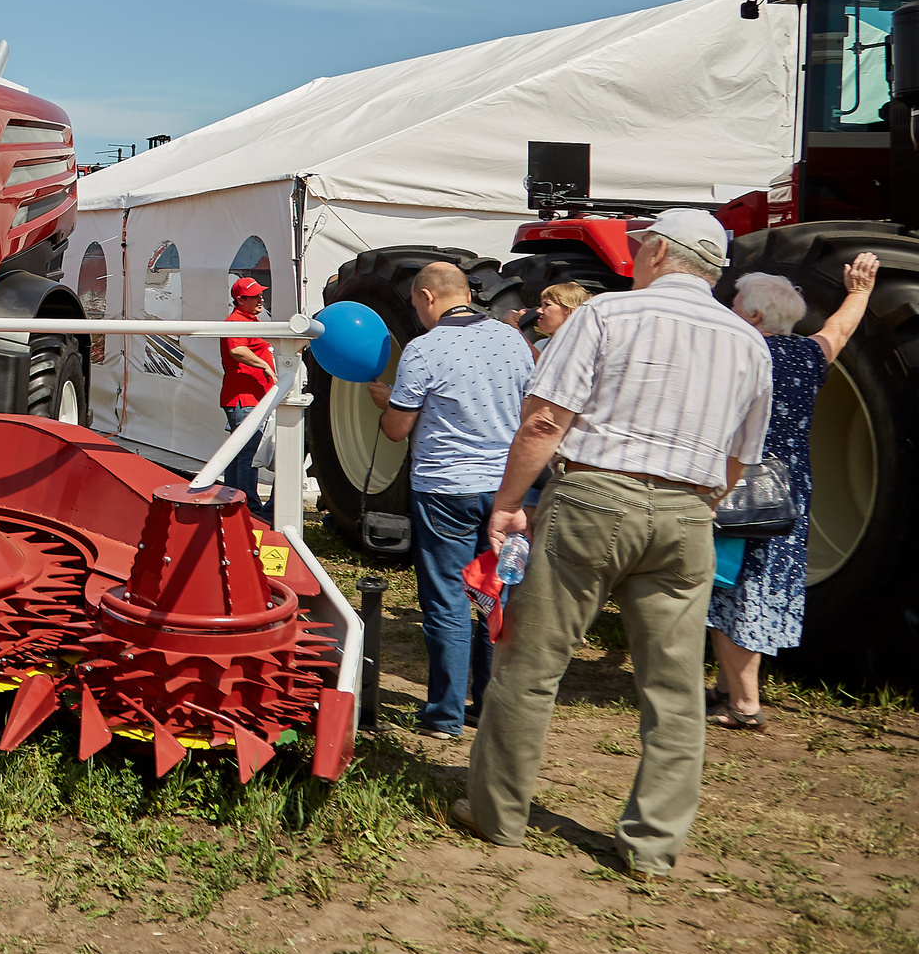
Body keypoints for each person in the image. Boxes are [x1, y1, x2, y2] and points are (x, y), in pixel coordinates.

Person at [456, 208, 772, 880]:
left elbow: (545, 419)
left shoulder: (607, 316)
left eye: (639, 247)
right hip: (688, 510)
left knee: (531, 663)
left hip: (595, 496)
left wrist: (509, 504)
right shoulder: (749, 343)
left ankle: (497, 812)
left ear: (657, 252)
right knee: (675, 690)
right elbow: (743, 455)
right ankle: (652, 844)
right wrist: (698, 502)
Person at [708, 254, 880, 728]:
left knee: (731, 589)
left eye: (736, 302)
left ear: (755, 316)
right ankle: (726, 687)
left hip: (739, 488)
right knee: (759, 586)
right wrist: (860, 293)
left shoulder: (738, 356)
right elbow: (839, 331)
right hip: (788, 491)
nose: (730, 308)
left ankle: (743, 705)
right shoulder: (807, 355)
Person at [366, 261, 534, 741]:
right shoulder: (510, 340)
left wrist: (386, 406)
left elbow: (399, 428)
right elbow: (530, 411)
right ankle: (488, 702)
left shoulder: (423, 349)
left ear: (425, 297)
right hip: (504, 487)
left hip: (444, 488)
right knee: (493, 594)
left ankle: (444, 714)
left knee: (446, 599)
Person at [217, 275, 275, 517]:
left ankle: (232, 501)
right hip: (244, 398)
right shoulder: (236, 321)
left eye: (261, 294)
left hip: (246, 397)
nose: (261, 298)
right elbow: (237, 350)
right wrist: (265, 366)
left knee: (238, 451)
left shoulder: (248, 320)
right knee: (247, 454)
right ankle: (248, 507)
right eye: (255, 295)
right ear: (240, 300)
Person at [520, 282, 592, 359]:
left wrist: (513, 325)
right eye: (541, 305)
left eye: (547, 305)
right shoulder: (540, 345)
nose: (539, 310)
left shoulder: (583, 348)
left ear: (569, 310)